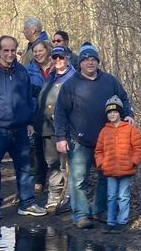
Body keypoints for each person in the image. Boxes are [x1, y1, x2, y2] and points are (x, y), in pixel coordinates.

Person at [55, 43, 134, 229]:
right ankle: (81, 215)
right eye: (86, 59)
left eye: (93, 59)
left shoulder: (109, 81)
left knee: (105, 177)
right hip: (79, 140)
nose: (90, 63)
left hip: (107, 139)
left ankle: (99, 211)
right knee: (78, 179)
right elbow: (60, 113)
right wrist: (61, 137)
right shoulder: (70, 85)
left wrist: (128, 114)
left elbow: (123, 98)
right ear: (80, 62)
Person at [0, 35, 47, 220]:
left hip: (20, 128)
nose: (9, 54)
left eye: (13, 50)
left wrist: (30, 121)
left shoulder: (22, 72)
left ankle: (27, 203)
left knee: (24, 168)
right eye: (5, 50)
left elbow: (28, 99)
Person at [94, 95, 141, 230]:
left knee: (123, 196)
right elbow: (98, 150)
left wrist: (133, 162)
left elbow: (139, 147)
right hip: (110, 170)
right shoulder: (104, 131)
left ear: (120, 113)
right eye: (110, 112)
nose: (112, 114)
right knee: (111, 196)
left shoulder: (130, 129)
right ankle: (111, 222)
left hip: (126, 169)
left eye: (115, 111)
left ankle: (122, 221)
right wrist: (101, 163)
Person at [38, 44, 76, 212]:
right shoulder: (50, 78)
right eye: (55, 58)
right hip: (48, 129)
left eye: (61, 57)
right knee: (52, 163)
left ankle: (67, 197)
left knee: (65, 164)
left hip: (67, 130)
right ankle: (54, 196)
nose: (58, 61)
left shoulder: (73, 78)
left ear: (67, 58)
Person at [27, 39, 55, 192]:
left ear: (47, 50)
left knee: (54, 150)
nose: (38, 54)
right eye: (35, 51)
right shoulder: (29, 70)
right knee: (37, 148)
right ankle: (39, 179)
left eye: (40, 50)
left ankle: (57, 180)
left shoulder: (57, 66)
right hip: (36, 112)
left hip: (54, 114)